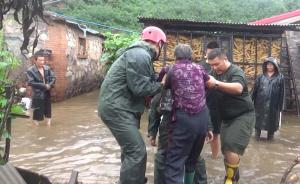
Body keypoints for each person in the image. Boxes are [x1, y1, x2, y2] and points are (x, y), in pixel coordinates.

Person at [98, 26, 166, 184]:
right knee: (137, 151)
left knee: (130, 150)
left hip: (121, 107)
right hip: (118, 108)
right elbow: (141, 88)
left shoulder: (139, 54)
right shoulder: (140, 54)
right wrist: (163, 84)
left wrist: (158, 77)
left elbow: (144, 80)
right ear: (159, 43)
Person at [164, 44, 213, 184]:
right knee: (192, 160)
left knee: (174, 163)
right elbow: (207, 85)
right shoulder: (200, 68)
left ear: (175, 56)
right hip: (202, 120)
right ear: (191, 56)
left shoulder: (172, 69)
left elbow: (164, 87)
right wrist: (209, 126)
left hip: (184, 120)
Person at [206, 48, 255, 184]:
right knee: (226, 150)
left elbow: (238, 88)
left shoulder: (236, 71)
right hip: (226, 118)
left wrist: (216, 83)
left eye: (217, 64)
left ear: (225, 59)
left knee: (232, 147)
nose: (214, 68)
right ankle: (234, 175)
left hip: (243, 115)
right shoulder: (213, 73)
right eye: (211, 65)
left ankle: (230, 179)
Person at [251, 57, 285, 141]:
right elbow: (254, 91)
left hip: (273, 105)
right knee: (258, 124)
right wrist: (250, 102)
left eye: (271, 65)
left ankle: (270, 140)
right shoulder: (260, 77)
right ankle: (256, 139)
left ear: (275, 66)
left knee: (272, 125)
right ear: (265, 66)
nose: (269, 66)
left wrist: (281, 107)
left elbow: (282, 93)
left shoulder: (280, 77)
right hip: (260, 104)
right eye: (268, 65)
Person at [199, 40, 222, 159]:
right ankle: (197, 155)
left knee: (216, 132)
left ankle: (214, 157)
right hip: (202, 102)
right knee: (200, 130)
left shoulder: (223, 65)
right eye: (208, 53)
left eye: (212, 53)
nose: (210, 56)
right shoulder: (201, 65)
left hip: (217, 104)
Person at [26, 49, 56, 126]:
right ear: (35, 60)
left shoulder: (47, 68)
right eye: (40, 60)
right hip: (38, 94)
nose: (42, 62)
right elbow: (30, 82)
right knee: (37, 112)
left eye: (43, 60)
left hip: (47, 92)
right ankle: (37, 127)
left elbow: (53, 78)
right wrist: (43, 85)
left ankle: (48, 125)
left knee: (48, 110)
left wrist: (49, 85)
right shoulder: (30, 70)